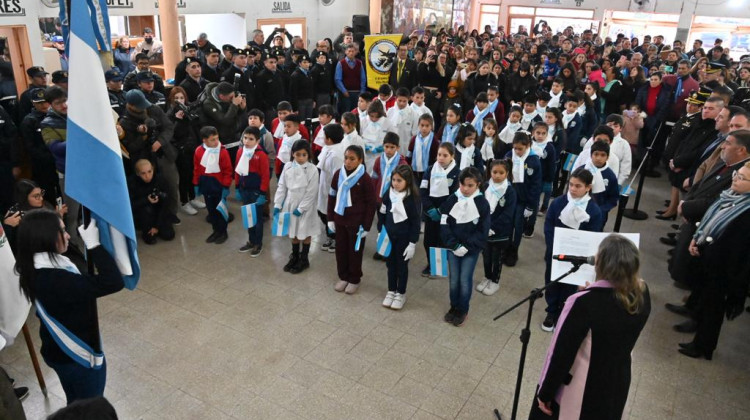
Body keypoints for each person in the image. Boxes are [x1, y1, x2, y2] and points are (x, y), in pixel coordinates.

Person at [530, 234, 650, 420]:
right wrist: (591, 292)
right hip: (617, 379)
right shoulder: (642, 294)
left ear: (600, 264)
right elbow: (612, 312)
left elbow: (561, 354)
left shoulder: (583, 304)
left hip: (583, 385)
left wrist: (545, 393)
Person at [14, 209, 124, 404]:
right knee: (90, 407)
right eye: (62, 231)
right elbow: (113, 282)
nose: (68, 235)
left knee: (75, 403)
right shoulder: (55, 279)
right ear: (45, 238)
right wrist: (95, 245)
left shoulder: (34, 264)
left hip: (56, 350)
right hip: (76, 356)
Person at [678, 161, 750, 360]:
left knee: (713, 308)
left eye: (742, 178)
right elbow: (712, 219)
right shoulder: (731, 196)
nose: (735, 179)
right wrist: (697, 238)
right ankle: (697, 337)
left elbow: (738, 247)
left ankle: (704, 346)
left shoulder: (747, 211)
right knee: (704, 300)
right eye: (737, 174)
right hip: (709, 257)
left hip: (725, 267)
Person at [542, 167, 604, 332]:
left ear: (588, 188)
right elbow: (549, 225)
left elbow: (593, 235)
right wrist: (553, 244)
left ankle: (564, 312)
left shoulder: (593, 210)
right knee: (552, 281)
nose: (573, 189)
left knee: (570, 285)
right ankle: (551, 311)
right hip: (555, 251)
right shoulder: (559, 202)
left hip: (578, 256)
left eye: (578, 186)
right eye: (571, 185)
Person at [440, 167, 490, 326]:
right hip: (453, 247)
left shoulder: (482, 203)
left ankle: (463, 309)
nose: (466, 189)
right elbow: (444, 223)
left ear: (478, 185)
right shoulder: (452, 199)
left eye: (470, 185)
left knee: (464, 279)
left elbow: (483, 230)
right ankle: (453, 306)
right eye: (463, 185)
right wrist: (453, 244)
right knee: (454, 279)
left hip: (470, 250)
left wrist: (467, 246)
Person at [327, 145, 376, 294]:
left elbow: (371, 204)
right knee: (341, 250)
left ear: (360, 160)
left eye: (352, 159)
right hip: (340, 220)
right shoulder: (338, 175)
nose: (348, 162)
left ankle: (354, 278)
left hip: (357, 223)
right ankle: (343, 276)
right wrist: (330, 218)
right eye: (346, 158)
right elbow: (332, 197)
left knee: (355, 252)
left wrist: (367, 226)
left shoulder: (365, 178)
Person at [378, 164, 421, 310]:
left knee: (402, 266)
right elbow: (382, 212)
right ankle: (391, 290)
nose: (395, 183)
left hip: (404, 238)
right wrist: (380, 231)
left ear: (407, 182)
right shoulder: (388, 193)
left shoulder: (412, 199)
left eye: (399, 181)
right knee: (391, 265)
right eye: (394, 180)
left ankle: (401, 293)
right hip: (389, 236)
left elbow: (415, 222)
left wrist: (412, 243)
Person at [274, 140, 319, 274]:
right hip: (290, 202)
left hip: (305, 206)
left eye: (304, 155)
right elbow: (282, 186)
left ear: (308, 155)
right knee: (293, 231)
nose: (300, 158)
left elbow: (311, 192)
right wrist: (277, 203)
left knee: (305, 232)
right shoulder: (287, 166)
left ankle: (304, 259)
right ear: (293, 154)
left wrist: (301, 208)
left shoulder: (312, 169)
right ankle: (294, 256)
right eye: (297, 154)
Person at [420, 142, 460, 277]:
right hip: (431, 213)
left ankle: (439, 266)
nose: (441, 158)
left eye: (445, 155)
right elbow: (423, 190)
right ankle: (431, 264)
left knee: (442, 240)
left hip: (446, 215)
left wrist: (440, 211)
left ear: (452, 156)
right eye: (439, 155)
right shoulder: (430, 169)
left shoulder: (457, 173)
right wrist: (430, 208)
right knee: (428, 241)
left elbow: (454, 196)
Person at [478, 159, 516, 296]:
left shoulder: (510, 191)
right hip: (484, 229)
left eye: (501, 172)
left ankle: (495, 280)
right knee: (486, 255)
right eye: (494, 172)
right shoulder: (485, 186)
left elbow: (508, 214)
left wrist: (492, 227)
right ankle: (487, 277)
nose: (497, 175)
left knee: (497, 257)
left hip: (500, 231)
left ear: (507, 173)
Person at [505, 131, 542, 266]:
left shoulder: (533, 160)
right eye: (515, 148)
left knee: (518, 226)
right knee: (508, 225)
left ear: (527, 146)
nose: (517, 151)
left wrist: (531, 205)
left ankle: (514, 251)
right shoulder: (509, 156)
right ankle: (506, 249)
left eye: (520, 149)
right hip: (509, 199)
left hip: (523, 200)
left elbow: (536, 185)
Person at [193, 126, 232, 244]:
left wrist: (225, 187)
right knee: (211, 211)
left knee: (221, 211)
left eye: (217, 138)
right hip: (206, 185)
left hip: (219, 186)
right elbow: (197, 168)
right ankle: (215, 231)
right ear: (204, 140)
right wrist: (196, 184)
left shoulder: (223, 151)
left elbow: (227, 171)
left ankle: (223, 232)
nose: (216, 142)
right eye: (212, 140)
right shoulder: (199, 151)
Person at [235, 127, 270, 257]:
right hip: (245, 190)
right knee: (248, 216)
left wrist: (262, 194)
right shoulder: (240, 152)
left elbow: (265, 176)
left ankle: (258, 243)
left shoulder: (261, 154)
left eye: (251, 139)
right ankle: (251, 240)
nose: (247, 141)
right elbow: (237, 170)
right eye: (245, 138)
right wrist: (237, 187)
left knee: (257, 219)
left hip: (256, 192)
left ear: (258, 140)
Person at [128, 159, 175, 245]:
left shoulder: (160, 179)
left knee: (169, 235)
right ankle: (147, 230)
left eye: (150, 171)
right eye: (143, 173)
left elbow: (167, 203)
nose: (148, 176)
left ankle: (155, 228)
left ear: (153, 169)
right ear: (138, 173)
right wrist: (146, 200)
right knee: (150, 239)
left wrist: (157, 226)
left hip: (159, 212)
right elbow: (130, 205)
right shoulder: (132, 183)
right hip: (143, 214)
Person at [317, 124, 346, 253]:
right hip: (323, 186)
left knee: (331, 216)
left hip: (331, 190)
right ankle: (330, 236)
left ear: (329, 139)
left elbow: (338, 177)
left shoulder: (337, 154)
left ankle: (336, 238)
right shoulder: (328, 148)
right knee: (323, 213)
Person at [586, 141, 620, 226]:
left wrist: (601, 209)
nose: (598, 158)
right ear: (591, 155)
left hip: (600, 213)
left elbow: (613, 198)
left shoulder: (610, 175)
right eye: (596, 154)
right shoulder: (582, 171)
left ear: (607, 157)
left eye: (603, 155)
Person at [334, 44, 366, 116]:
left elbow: (363, 78)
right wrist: (344, 91)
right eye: (349, 51)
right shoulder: (341, 63)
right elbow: (337, 79)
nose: (351, 53)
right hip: (345, 94)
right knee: (346, 114)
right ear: (346, 52)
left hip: (357, 93)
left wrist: (362, 91)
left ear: (355, 52)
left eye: (353, 51)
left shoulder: (359, 63)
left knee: (356, 114)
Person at [407, 113, 439, 181]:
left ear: (431, 126)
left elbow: (436, 159)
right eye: (422, 125)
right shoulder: (414, 139)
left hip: (428, 174)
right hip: (414, 172)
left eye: (427, 126)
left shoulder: (434, 141)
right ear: (418, 125)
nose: (424, 128)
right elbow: (409, 156)